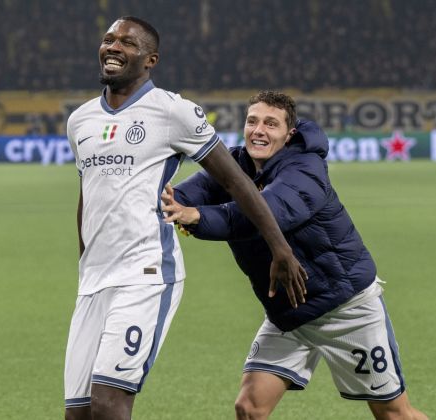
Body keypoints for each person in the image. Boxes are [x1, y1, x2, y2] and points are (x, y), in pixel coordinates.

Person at [64, 18, 307, 420]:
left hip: (144, 273)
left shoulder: (173, 111)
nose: (113, 46)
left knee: (109, 403)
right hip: (93, 280)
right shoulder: (81, 120)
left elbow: (236, 181)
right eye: (108, 39)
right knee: (79, 414)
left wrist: (279, 247)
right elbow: (87, 196)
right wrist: (84, 263)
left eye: (126, 42)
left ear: (150, 60)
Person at [162, 91, 428, 420]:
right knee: (249, 407)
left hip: (346, 308)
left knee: (394, 414)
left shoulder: (305, 169)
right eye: (252, 121)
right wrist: (164, 198)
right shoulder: (234, 166)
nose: (258, 130)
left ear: (289, 135)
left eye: (271, 124)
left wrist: (197, 217)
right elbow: (186, 193)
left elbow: (265, 214)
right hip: (289, 314)